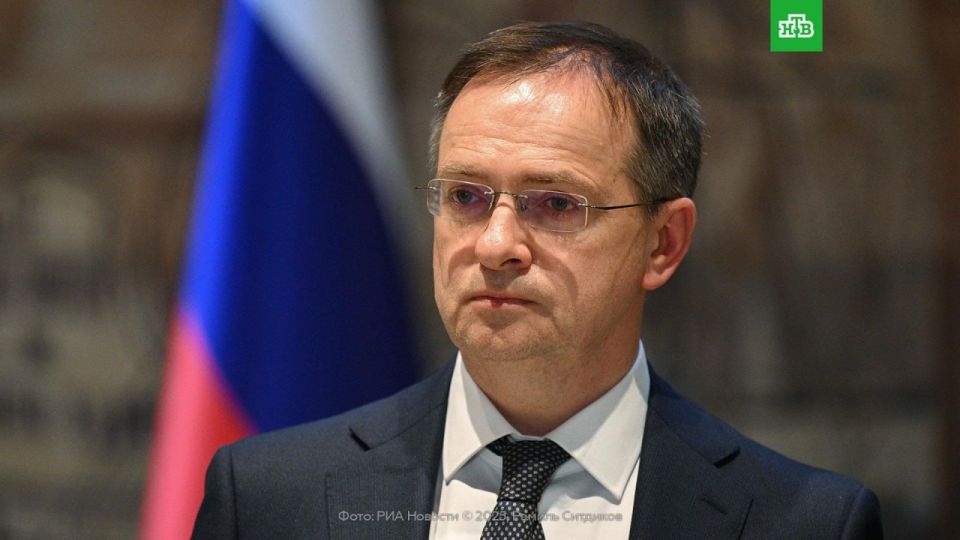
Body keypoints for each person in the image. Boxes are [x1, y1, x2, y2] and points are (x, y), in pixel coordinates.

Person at [192, 21, 883, 539]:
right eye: (466, 197)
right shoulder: (268, 498)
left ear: (663, 243)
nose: (496, 245)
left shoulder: (806, 523)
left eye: (555, 204)